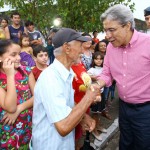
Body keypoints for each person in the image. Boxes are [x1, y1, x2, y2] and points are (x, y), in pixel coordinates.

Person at [32, 28, 101, 150]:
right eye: (80, 45)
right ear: (67, 48)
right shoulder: (50, 78)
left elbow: (66, 103)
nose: (82, 49)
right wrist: (88, 98)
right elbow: (63, 127)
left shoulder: (66, 73)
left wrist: (83, 117)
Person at [97, 4, 150, 150]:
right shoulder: (110, 47)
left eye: (111, 30)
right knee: (125, 144)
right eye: (105, 30)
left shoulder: (148, 44)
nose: (107, 36)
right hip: (124, 108)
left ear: (127, 26)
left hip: (146, 111)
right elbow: (106, 73)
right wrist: (97, 85)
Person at [0, 40, 35, 149]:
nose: (19, 58)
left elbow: (38, 97)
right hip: (7, 132)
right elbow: (10, 107)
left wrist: (19, 109)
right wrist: (10, 76)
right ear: (0, 58)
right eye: (13, 55)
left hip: (28, 127)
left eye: (19, 54)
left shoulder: (26, 71)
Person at [87, 51, 107, 141]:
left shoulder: (104, 69)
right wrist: (92, 77)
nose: (99, 61)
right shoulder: (91, 70)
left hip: (102, 93)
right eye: (96, 59)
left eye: (101, 59)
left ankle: (98, 126)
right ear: (93, 60)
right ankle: (94, 130)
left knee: (99, 112)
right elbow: (87, 77)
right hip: (95, 95)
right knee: (95, 113)